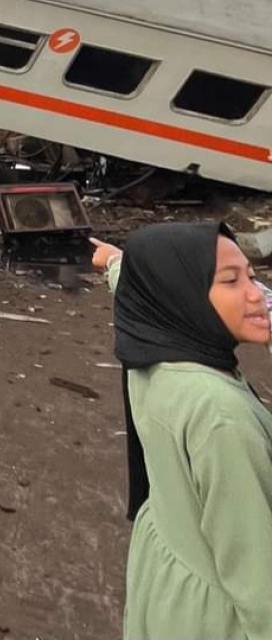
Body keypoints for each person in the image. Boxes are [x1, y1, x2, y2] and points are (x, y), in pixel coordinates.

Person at [90, 226, 272, 639]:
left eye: (252, 277)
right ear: (182, 294)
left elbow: (137, 286)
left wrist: (116, 262)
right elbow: (262, 587)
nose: (257, 294)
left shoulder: (150, 347)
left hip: (165, 584)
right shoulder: (222, 418)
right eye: (231, 280)